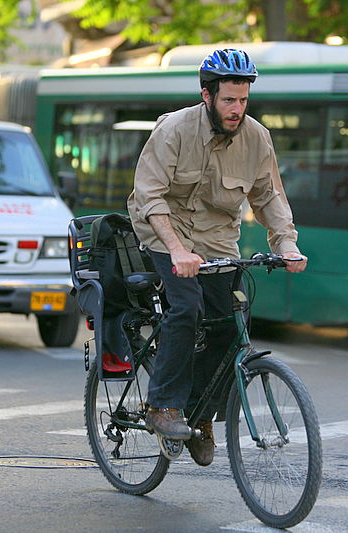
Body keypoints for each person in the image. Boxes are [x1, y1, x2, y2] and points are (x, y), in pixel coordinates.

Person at [127, 48, 308, 466]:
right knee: (186, 307)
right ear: (207, 95)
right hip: (162, 233)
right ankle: (163, 406)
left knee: (232, 324)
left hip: (218, 242)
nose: (237, 109)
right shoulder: (174, 129)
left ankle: (201, 413)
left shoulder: (257, 137)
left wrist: (287, 244)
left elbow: (270, 196)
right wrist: (176, 250)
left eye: (244, 100)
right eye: (229, 100)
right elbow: (150, 197)